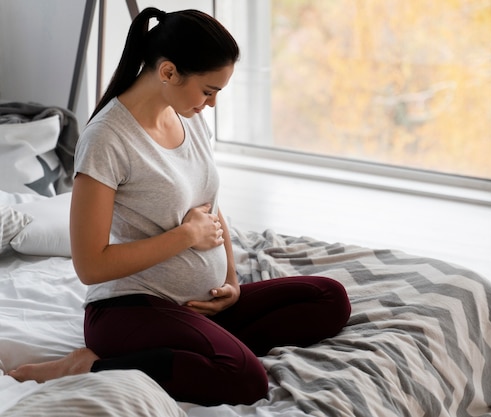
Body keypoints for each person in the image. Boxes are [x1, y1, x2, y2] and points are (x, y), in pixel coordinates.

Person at [9, 8, 351, 406]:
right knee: (244, 378)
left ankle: (189, 350)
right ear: (169, 72)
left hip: (200, 305)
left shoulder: (188, 117)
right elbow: (91, 265)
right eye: (208, 91)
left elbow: (210, 207)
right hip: (128, 309)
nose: (212, 104)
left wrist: (232, 284)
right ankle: (86, 366)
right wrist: (185, 236)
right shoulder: (106, 140)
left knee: (328, 299)